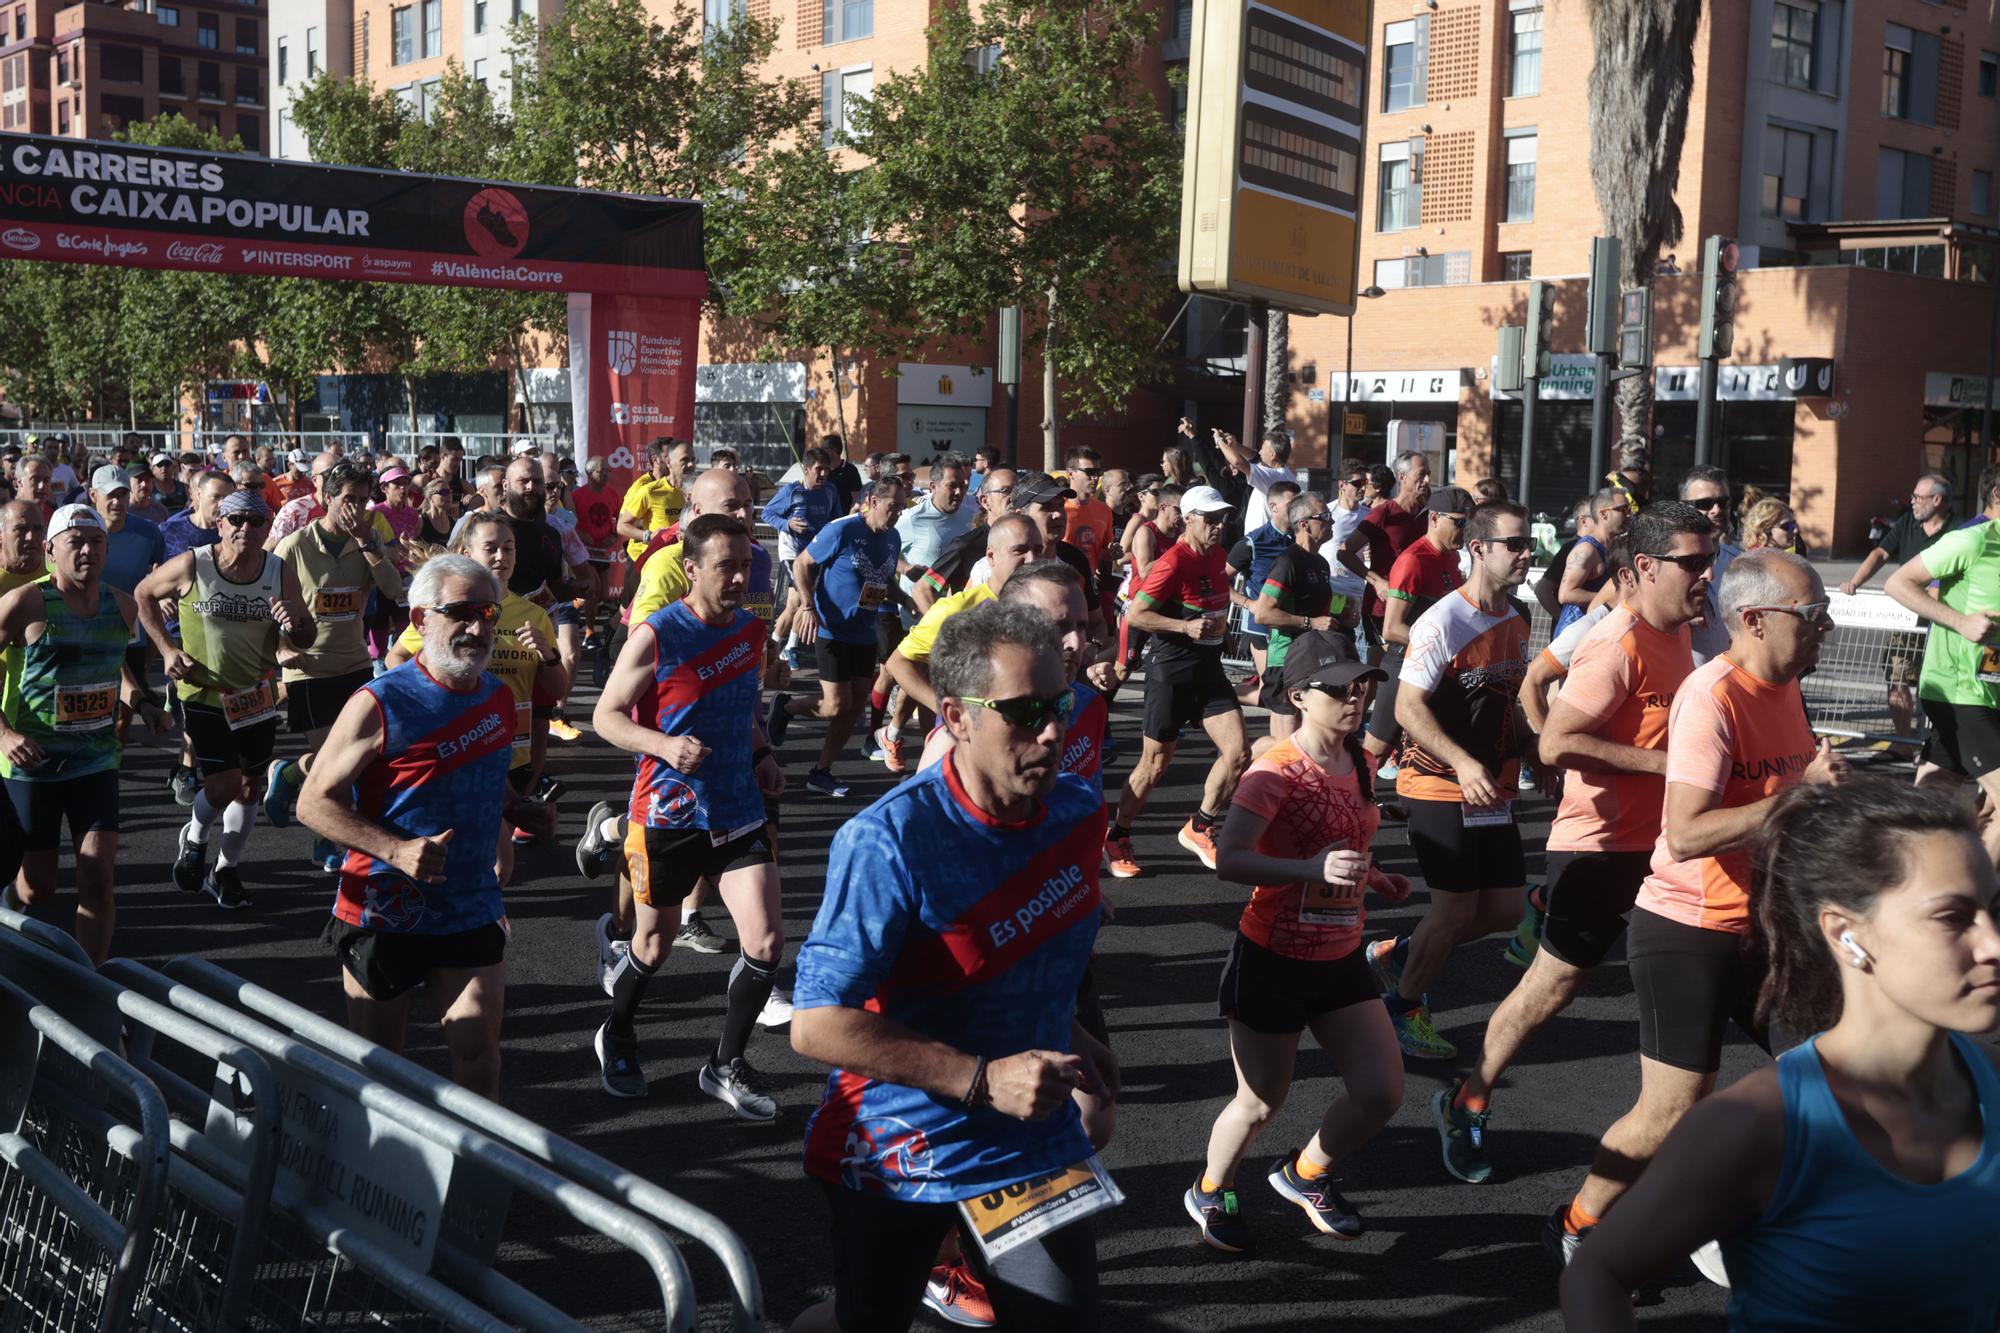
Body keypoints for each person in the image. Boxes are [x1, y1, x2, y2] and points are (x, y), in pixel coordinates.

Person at [1562, 778, 2000, 1330]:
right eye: (1953, 917)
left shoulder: (1993, 1083)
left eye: (1995, 908)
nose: (1994, 944)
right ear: (1845, 934)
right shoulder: (1756, 1126)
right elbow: (1597, 1273)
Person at [788, 601, 1116, 1333]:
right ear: (957, 716)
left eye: (1060, 704)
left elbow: (1027, 944)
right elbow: (813, 1024)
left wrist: (1072, 1029)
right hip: (903, 1146)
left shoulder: (1078, 811)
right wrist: (980, 1079)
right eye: (1025, 712)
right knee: (869, 1323)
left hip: (1030, 1139)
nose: (1055, 731)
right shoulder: (889, 840)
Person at [1548, 549, 1845, 1265]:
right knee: (1670, 1106)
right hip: (1688, 928)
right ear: (1753, 619)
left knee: (1834, 1070)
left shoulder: (1790, 687)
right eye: (1812, 615)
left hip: (1768, 923)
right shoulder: (1712, 695)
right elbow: (1684, 834)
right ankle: (1582, 1223)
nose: (1826, 627)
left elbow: (1784, 810)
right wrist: (1802, 791)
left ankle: (1739, 1212)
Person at [1434, 504, 1714, 1183]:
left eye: (1710, 559)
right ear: (1645, 568)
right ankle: (1468, 1096)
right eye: (1694, 563)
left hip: (1671, 843)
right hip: (1599, 845)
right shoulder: (1615, 643)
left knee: (1718, 973)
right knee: (1555, 982)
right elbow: (1557, 740)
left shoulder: (1684, 633)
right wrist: (1667, 765)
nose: (1708, 575)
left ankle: (1689, 1137)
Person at [298, 553, 553, 1101]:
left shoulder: (498, 698)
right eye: (460, 613)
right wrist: (395, 850)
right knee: (383, 1073)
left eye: (486, 613)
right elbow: (313, 805)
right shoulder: (381, 702)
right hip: (384, 907)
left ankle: (475, 1178)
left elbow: (486, 778)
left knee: (479, 1053)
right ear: (419, 621)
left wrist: (517, 809)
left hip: (469, 903)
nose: (478, 627)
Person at [1186, 631, 1408, 1255]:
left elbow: (1348, 843)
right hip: (1272, 960)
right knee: (1260, 1103)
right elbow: (1229, 860)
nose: (1356, 697)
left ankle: (1305, 1173)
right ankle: (1210, 1187)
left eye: (1361, 685)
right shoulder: (1274, 772)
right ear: (1300, 696)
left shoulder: (1360, 760)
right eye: (1339, 688)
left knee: (1380, 1093)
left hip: (1339, 957)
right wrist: (1311, 871)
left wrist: (1375, 875)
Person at [587, 514, 789, 1117]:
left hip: (738, 808)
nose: (738, 577)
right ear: (691, 568)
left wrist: (762, 753)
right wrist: (663, 745)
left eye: (746, 566)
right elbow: (606, 717)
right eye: (725, 566)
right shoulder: (658, 633)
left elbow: (742, 707)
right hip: (669, 812)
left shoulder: (751, 632)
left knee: (768, 941)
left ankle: (724, 1063)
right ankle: (616, 1033)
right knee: (653, 945)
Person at [1364, 500, 1534, 1061]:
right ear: (1479, 549)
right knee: (1456, 910)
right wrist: (1462, 762)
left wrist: (1537, 758)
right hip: (1436, 782)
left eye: (1528, 542)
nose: (1528, 553)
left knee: (1508, 908)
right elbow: (1409, 708)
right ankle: (1403, 1008)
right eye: (1516, 543)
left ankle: (1402, 954)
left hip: (1492, 788)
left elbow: (1509, 701)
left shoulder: (1516, 618)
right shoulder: (1443, 620)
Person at [0, 503, 169, 965]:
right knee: (39, 886)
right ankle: (7, 915)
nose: (87, 550)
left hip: (95, 760)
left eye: (95, 542)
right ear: (51, 551)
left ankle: (90, 980)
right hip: (32, 764)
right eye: (75, 542)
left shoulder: (123, 605)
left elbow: (114, 666)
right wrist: (4, 735)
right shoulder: (25, 603)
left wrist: (145, 704)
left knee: (98, 876)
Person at [140, 492, 312, 910]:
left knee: (251, 788)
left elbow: (306, 635)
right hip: (203, 692)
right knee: (223, 785)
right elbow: (143, 594)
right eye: (236, 519)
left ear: (266, 527)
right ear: (219, 523)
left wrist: (295, 623)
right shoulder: (192, 564)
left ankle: (226, 868)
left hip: (255, 695)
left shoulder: (278, 570)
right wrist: (166, 650)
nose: (245, 529)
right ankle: (195, 836)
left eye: (256, 521)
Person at [384, 513, 565, 885]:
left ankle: (470, 921)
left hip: (514, 752)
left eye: (509, 548)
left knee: (491, 865)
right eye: (491, 548)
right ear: (468, 553)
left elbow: (555, 691)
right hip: (459, 749)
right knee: (494, 865)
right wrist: (435, 704)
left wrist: (548, 654)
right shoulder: (450, 610)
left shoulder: (532, 614)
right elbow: (396, 659)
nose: (502, 556)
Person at [264, 459, 409, 873]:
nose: (356, 509)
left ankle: (290, 775)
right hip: (307, 667)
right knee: (336, 761)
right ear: (327, 497)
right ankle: (327, 840)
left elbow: (395, 590)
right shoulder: (294, 546)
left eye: (364, 501)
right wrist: (279, 652)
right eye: (348, 500)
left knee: (352, 760)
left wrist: (368, 544)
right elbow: (266, 604)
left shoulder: (368, 538)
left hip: (355, 664)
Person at [1106, 485, 1249, 878]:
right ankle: (1118, 835)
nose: (1219, 526)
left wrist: (1225, 626)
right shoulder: (1171, 563)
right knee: (1155, 764)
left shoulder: (1218, 555)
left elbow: (1216, 599)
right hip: (1171, 672)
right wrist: (1183, 626)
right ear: (1188, 520)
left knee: (1238, 753)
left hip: (1208, 670)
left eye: (1223, 518)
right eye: (1211, 519)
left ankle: (1200, 826)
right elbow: (1135, 615)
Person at [767, 480, 906, 798]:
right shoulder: (841, 530)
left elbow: (883, 582)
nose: (897, 514)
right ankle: (787, 707)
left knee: (854, 708)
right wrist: (807, 605)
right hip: (831, 629)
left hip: (864, 633)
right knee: (834, 705)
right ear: (871, 501)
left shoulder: (893, 538)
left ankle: (821, 771)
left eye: (902, 507)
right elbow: (803, 563)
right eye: (893, 506)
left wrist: (907, 600)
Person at [1886, 504, 2000, 867]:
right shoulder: (1972, 541)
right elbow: (1898, 583)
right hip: (1958, 690)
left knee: (1932, 802)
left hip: (1991, 693)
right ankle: (1974, 901)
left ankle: (1893, 869)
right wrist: (1961, 623)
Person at [1360, 486, 1472, 779]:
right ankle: (1347, 805)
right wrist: (1445, 647)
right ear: (1434, 518)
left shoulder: (1452, 557)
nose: (1465, 530)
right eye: (1459, 522)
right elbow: (1392, 628)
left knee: (1433, 746)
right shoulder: (1413, 560)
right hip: (1404, 665)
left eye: (1468, 523)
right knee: (1375, 752)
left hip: (1439, 667)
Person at [887, 514, 1044, 723]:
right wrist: (943, 708)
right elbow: (898, 662)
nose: (1032, 559)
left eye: (1038, 550)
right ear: (991, 556)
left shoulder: (1045, 605)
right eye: (1020, 550)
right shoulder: (958, 609)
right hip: (970, 739)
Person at [1841, 472, 1952, 753]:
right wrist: (1855, 581)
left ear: (1937, 500)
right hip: (1907, 619)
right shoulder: (1907, 524)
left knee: (1942, 685)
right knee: (1897, 678)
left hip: (1946, 621)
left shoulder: (1960, 530)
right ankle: (1903, 742)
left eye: (1918, 497)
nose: (1912, 502)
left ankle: (1942, 747)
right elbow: (1881, 554)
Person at [1249, 493, 1346, 743]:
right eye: (1324, 518)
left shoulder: (1322, 563)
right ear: (1304, 524)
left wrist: (1339, 615)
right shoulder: (1287, 562)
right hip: (1286, 660)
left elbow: (1316, 609)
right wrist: (1310, 623)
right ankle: (1243, 761)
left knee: (1308, 740)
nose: (1331, 523)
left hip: (1312, 658)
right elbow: (1263, 613)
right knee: (1286, 746)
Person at [1338, 451, 1432, 664]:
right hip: (1383, 605)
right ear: (1402, 477)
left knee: (1394, 664)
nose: (1427, 480)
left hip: (1418, 602)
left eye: (1429, 474)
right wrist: (1377, 581)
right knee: (1390, 661)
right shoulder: (1384, 513)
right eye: (1421, 474)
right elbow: (1344, 552)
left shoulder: (1429, 515)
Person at [1227, 481, 1301, 689]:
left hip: (1292, 622)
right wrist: (1248, 603)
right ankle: (1216, 700)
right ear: (1273, 507)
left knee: (1280, 689)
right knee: (1276, 688)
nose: (1297, 508)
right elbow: (1219, 581)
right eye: (1291, 503)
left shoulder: (1300, 538)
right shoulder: (1252, 543)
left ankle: (1221, 698)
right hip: (1261, 626)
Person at [1553, 489, 1629, 636]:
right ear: (1603, 514)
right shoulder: (1586, 549)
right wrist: (1608, 599)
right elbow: (1565, 594)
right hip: (1574, 636)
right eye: (1622, 509)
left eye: (1629, 509)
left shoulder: (1613, 547)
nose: (1628, 514)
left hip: (1597, 633)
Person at [618, 438, 697, 562]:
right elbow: (622, 526)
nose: (691, 465)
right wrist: (649, 535)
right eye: (685, 460)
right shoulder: (650, 490)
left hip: (687, 558)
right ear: (668, 462)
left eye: (693, 460)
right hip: (655, 561)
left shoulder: (699, 489)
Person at [1215, 428, 1298, 535]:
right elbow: (1256, 458)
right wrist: (1236, 446)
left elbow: (1238, 463)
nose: (1259, 452)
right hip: (1268, 539)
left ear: (1272, 455)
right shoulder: (1285, 474)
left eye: (1262, 449)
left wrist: (1219, 441)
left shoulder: (1273, 477)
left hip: (1260, 542)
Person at [1740, 496, 1804, 555]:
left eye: (1794, 524)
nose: (1795, 530)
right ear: (1765, 530)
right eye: (1787, 526)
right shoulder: (1756, 563)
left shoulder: (1783, 557)